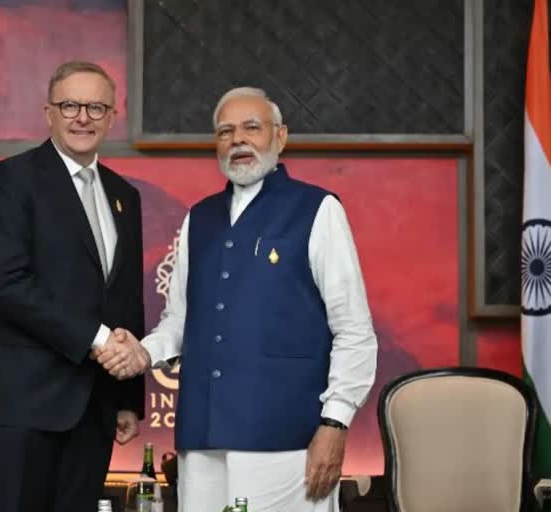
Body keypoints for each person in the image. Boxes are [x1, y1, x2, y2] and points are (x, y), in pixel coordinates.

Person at [95, 87, 377, 511]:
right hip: (202, 436)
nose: (237, 140)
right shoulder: (199, 218)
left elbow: (354, 330)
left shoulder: (318, 210)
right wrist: (141, 352)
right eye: (225, 131)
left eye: (251, 127)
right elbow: (179, 320)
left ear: (280, 137)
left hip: (286, 440)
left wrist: (335, 423)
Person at [0, 61, 145, 512]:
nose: (82, 117)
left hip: (94, 407)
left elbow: (124, 297)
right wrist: (100, 339)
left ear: (111, 116)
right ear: (49, 112)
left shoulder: (125, 195)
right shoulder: (12, 179)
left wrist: (126, 398)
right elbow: (8, 284)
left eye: (96, 107)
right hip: (22, 404)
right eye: (70, 105)